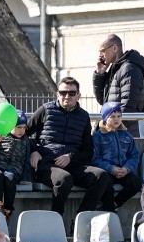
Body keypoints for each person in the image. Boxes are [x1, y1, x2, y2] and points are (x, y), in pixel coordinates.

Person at [26, 77, 110, 216]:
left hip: (73, 164)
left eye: (71, 93)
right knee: (64, 179)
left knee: (101, 176)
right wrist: (34, 151)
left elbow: (88, 151)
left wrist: (70, 157)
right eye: (63, 92)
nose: (67, 96)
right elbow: (22, 133)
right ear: (57, 94)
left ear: (78, 96)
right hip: (47, 164)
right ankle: (56, 220)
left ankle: (81, 218)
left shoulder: (84, 117)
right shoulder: (45, 110)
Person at [92, 33, 144, 137]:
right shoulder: (115, 69)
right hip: (115, 132)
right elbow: (103, 100)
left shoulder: (128, 69)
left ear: (115, 48)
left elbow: (128, 106)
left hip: (123, 135)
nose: (100, 55)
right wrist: (100, 74)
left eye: (103, 51)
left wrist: (112, 128)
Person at [92, 102, 142, 212]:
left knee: (136, 183)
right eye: (112, 116)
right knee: (106, 184)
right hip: (107, 172)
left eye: (119, 116)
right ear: (105, 118)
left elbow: (134, 156)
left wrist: (127, 169)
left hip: (123, 171)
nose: (116, 119)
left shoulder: (127, 136)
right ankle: (108, 210)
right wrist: (111, 169)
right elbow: (95, 158)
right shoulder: (98, 136)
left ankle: (115, 204)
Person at [0, 110, 30, 218]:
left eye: (24, 128)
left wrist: (24, 178)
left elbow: (26, 161)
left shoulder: (25, 141)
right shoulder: (1, 133)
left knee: (10, 179)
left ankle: (8, 209)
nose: (21, 131)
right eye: (18, 127)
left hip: (12, 170)